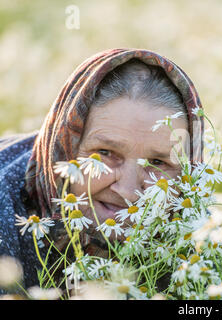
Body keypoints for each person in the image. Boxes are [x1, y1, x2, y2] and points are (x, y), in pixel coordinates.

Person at [0, 48, 205, 293]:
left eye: (158, 163)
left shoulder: (199, 238)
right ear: (64, 146)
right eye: (106, 153)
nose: (128, 192)